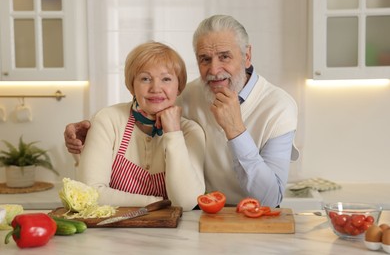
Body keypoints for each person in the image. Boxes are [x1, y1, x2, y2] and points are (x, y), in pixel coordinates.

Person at [64, 15, 298, 208]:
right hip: (202, 215)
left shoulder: (279, 107)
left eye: (224, 57)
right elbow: (146, 108)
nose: (214, 70)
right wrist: (93, 132)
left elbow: (271, 198)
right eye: (205, 59)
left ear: (247, 56)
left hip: (254, 216)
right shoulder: (188, 94)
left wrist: (235, 130)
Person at [71, 41, 205, 212]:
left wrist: (173, 134)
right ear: (131, 85)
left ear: (178, 87)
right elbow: (90, 192)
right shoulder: (107, 120)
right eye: (145, 79)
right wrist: (159, 202)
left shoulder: (190, 132)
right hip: (111, 234)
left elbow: (185, 202)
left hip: (174, 236)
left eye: (166, 79)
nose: (156, 88)